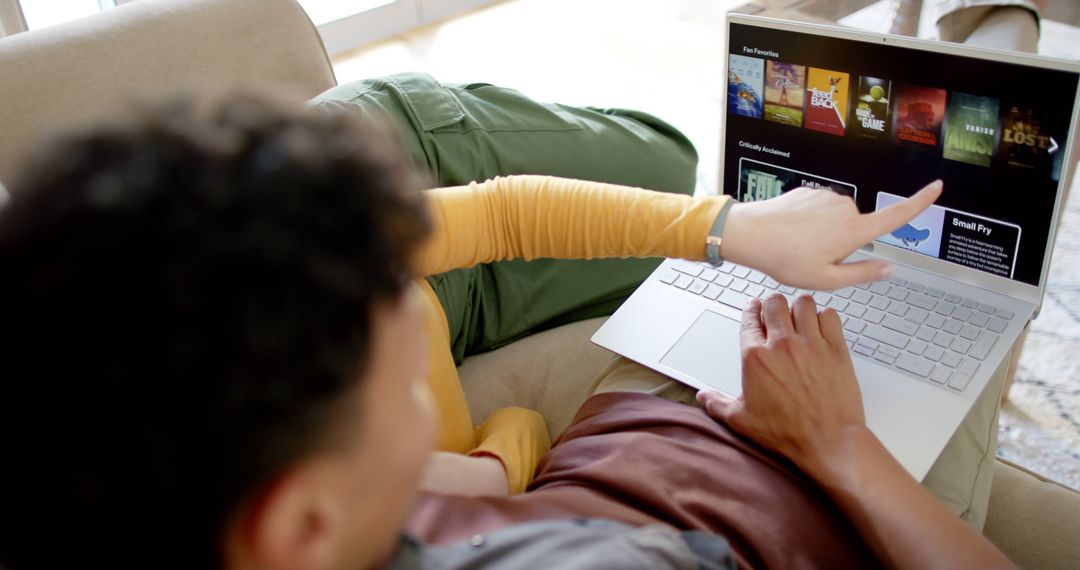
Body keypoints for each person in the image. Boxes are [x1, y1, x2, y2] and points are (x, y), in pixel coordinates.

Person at [0, 93, 1015, 569]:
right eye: (409, 385)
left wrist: (733, 228)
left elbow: (498, 220)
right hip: (806, 463)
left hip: (625, 440)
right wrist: (838, 445)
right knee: (956, 289)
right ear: (295, 520)